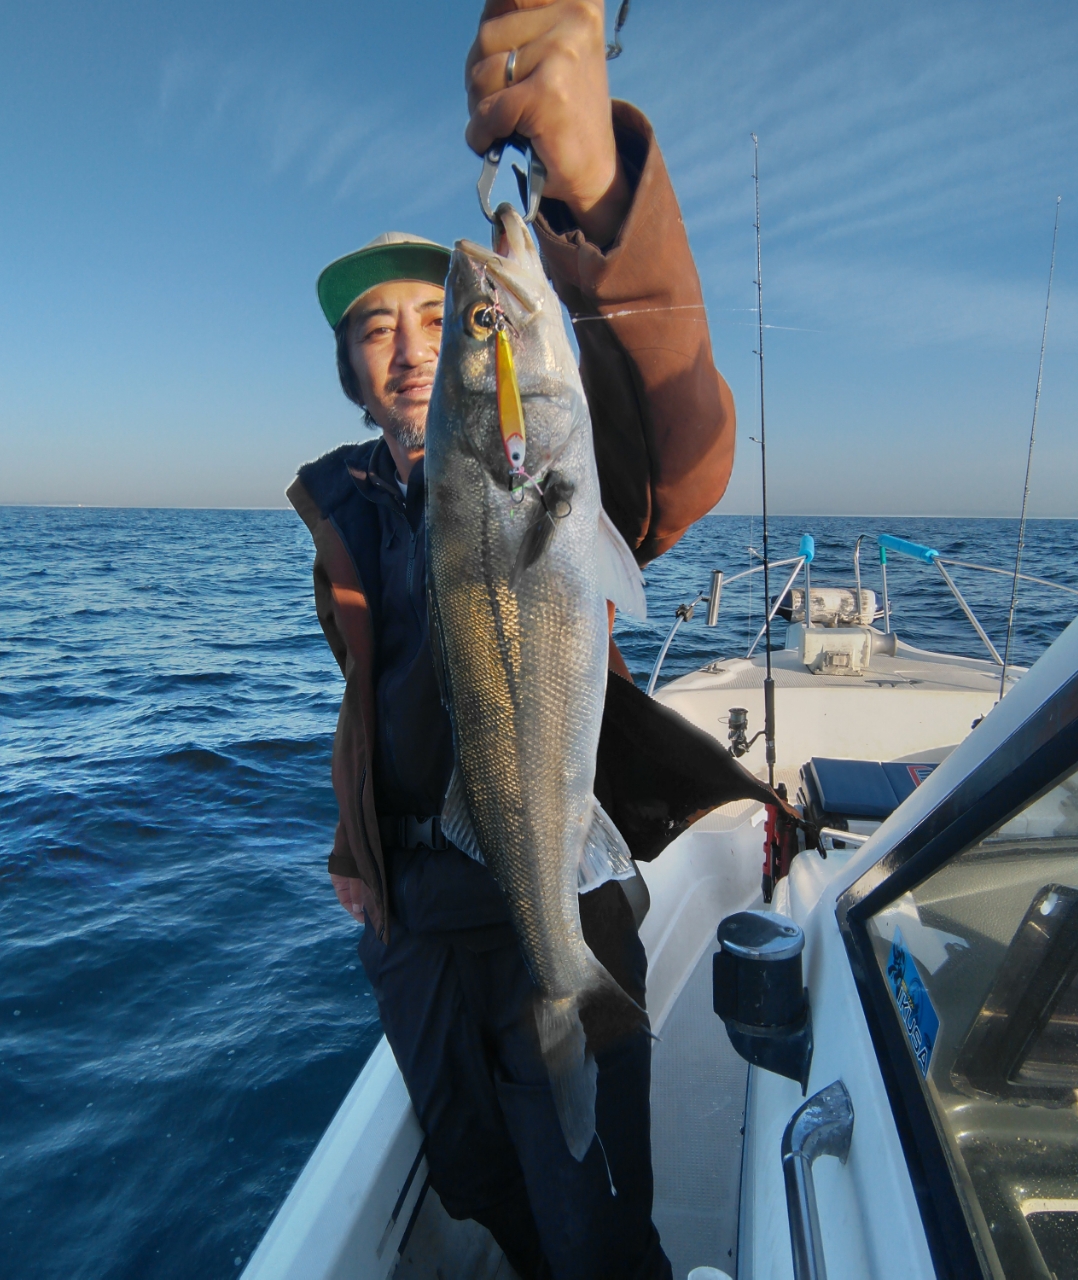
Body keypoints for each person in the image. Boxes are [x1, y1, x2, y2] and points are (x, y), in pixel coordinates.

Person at [287, 3, 735, 1276]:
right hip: (414, 920)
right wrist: (355, 850)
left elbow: (681, 457)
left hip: (550, 883)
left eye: (439, 318)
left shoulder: (551, 464)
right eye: (374, 329)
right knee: (482, 1181)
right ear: (349, 371)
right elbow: (376, 708)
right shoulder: (345, 509)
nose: (412, 345)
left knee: (596, 1222)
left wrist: (590, 189)